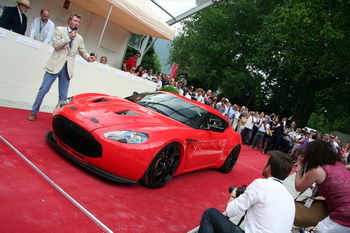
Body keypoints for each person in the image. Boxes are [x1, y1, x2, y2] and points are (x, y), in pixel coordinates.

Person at [198, 151, 295, 233]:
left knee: (210, 214)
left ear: (268, 167)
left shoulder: (261, 184)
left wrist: (233, 195)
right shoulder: (290, 198)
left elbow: (230, 211)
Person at [27, 13, 96, 121]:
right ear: (69, 21)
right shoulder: (59, 30)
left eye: (78, 22)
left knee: (63, 97)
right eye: (74, 21)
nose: (76, 23)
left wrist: (88, 58)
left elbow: (82, 51)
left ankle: (59, 118)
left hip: (67, 69)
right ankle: (33, 112)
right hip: (54, 65)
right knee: (43, 90)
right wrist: (68, 37)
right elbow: (56, 45)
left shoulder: (79, 38)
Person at [295, 139, 350, 232]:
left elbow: (299, 187)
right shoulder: (339, 165)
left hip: (342, 216)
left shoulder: (317, 170)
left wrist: (300, 165)